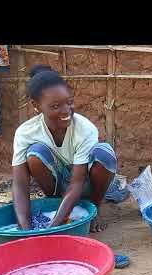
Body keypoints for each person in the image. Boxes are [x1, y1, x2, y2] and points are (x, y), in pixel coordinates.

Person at [12, 64, 117, 233]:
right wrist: (25, 228)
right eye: (55, 106)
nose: (66, 110)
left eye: (69, 102)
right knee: (34, 155)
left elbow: (77, 184)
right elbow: (20, 183)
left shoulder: (84, 129)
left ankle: (93, 209)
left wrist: (52, 228)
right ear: (36, 106)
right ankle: (55, 204)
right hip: (57, 185)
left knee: (104, 155)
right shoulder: (25, 132)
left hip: (84, 181)